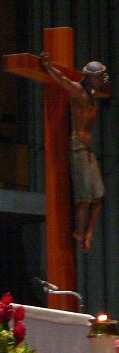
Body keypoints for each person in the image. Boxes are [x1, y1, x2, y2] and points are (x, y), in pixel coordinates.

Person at [41, 52, 108, 252]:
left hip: (88, 149)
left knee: (99, 195)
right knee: (85, 196)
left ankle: (88, 233)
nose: (103, 80)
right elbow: (62, 80)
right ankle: (80, 231)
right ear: (90, 77)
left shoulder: (94, 97)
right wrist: (48, 66)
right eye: (100, 76)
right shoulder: (78, 91)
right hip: (78, 146)